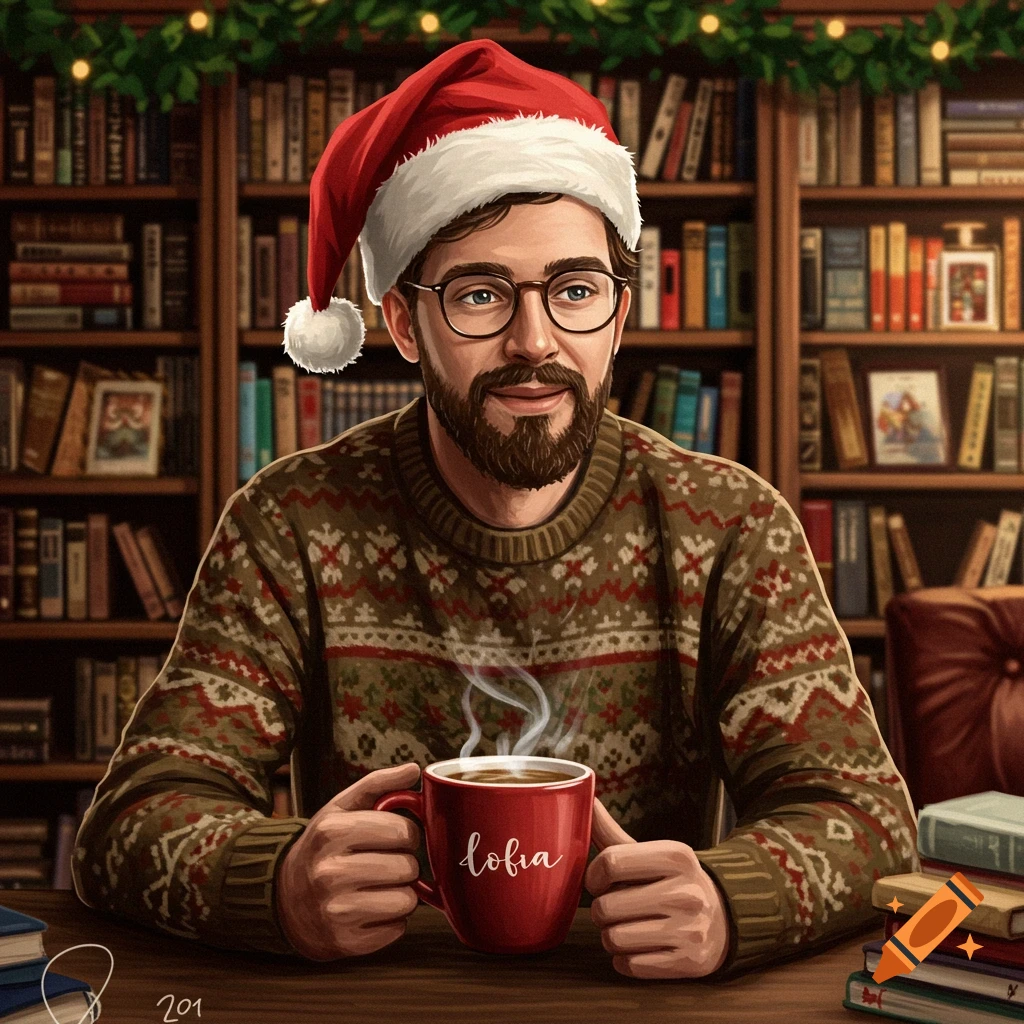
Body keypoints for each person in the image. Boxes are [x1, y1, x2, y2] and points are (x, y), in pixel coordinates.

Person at [73, 39, 918, 981]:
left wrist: (730, 898)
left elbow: (868, 821)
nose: (535, 341)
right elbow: (132, 817)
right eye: (480, 294)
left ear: (619, 311)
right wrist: (273, 884)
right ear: (402, 322)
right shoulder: (289, 524)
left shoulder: (728, 526)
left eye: (575, 291)